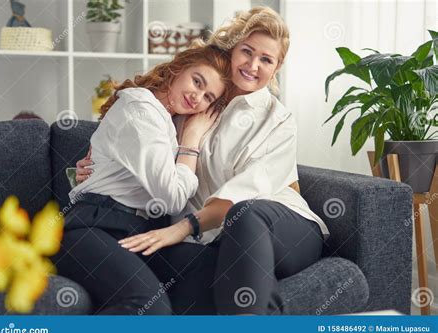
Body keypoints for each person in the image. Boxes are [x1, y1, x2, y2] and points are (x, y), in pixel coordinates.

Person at [75, 7, 330, 315]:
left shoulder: (278, 120)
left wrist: (183, 228)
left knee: (245, 216)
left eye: (266, 59)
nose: (252, 65)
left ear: (276, 69)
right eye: (246, 52)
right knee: (196, 276)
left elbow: (248, 189)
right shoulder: (191, 107)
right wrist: (90, 168)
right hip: (216, 236)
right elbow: (140, 150)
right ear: (232, 49)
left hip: (282, 227)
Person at [53, 44, 232, 315]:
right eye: (197, 81)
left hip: (142, 232)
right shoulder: (140, 108)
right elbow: (171, 197)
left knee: (208, 265)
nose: (197, 97)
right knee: (150, 307)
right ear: (178, 68)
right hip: (94, 228)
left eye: (208, 97)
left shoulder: (168, 121)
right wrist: (191, 141)